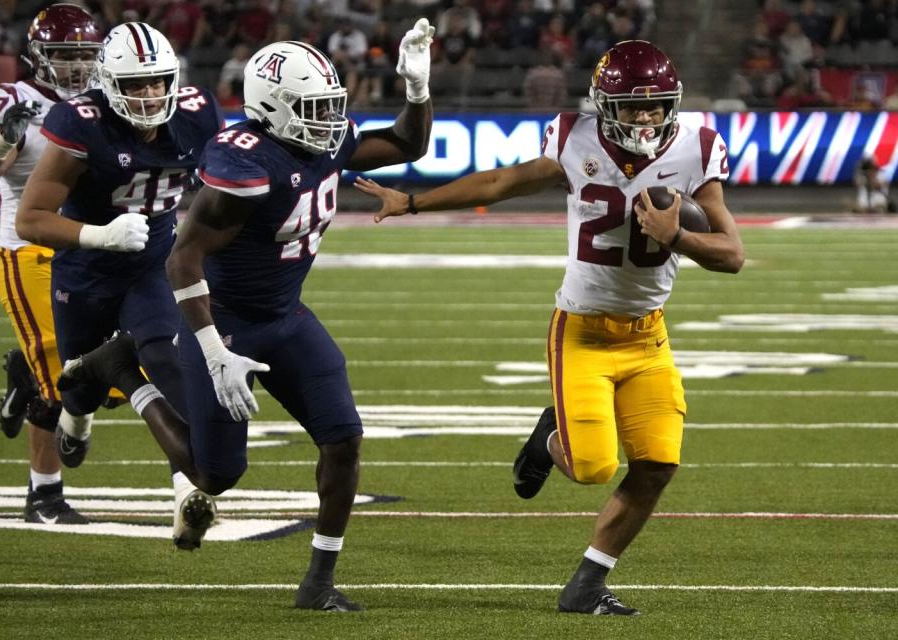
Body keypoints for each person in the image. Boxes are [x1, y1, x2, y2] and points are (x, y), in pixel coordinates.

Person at [354, 40, 745, 615]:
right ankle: (548, 436)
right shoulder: (573, 138)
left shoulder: (697, 148)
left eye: (656, 106)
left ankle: (587, 584)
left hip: (648, 336)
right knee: (591, 467)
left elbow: (731, 252)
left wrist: (677, 236)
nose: (645, 117)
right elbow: (499, 184)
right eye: (632, 107)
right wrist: (412, 202)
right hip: (582, 331)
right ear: (603, 104)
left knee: (658, 464)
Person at [58, 21, 436, 611]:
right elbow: (183, 258)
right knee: (213, 475)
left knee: (343, 439)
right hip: (224, 319)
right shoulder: (244, 163)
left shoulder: (323, 139)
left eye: (331, 106)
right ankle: (124, 370)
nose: (329, 119)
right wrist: (213, 349)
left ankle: (317, 584)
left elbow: (408, 145)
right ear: (270, 108)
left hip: (285, 316)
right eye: (312, 107)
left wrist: (417, 89)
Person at [14, 21, 223, 548]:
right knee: (79, 390)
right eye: (136, 85)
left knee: (169, 357)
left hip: (152, 267)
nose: (151, 95)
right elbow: (31, 219)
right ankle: (77, 424)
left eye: (158, 81)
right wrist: (97, 233)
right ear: (109, 84)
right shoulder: (82, 123)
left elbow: (220, 186)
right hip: (85, 272)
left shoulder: (196, 114)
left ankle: (186, 488)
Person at [0, 3, 103, 524]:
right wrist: (5, 138)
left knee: (134, 366)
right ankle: (44, 494)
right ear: (39, 57)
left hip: (92, 249)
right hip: (30, 251)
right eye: (65, 55)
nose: (77, 66)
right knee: (60, 379)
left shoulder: (106, 101)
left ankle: (24, 375)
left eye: (85, 55)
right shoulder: (12, 99)